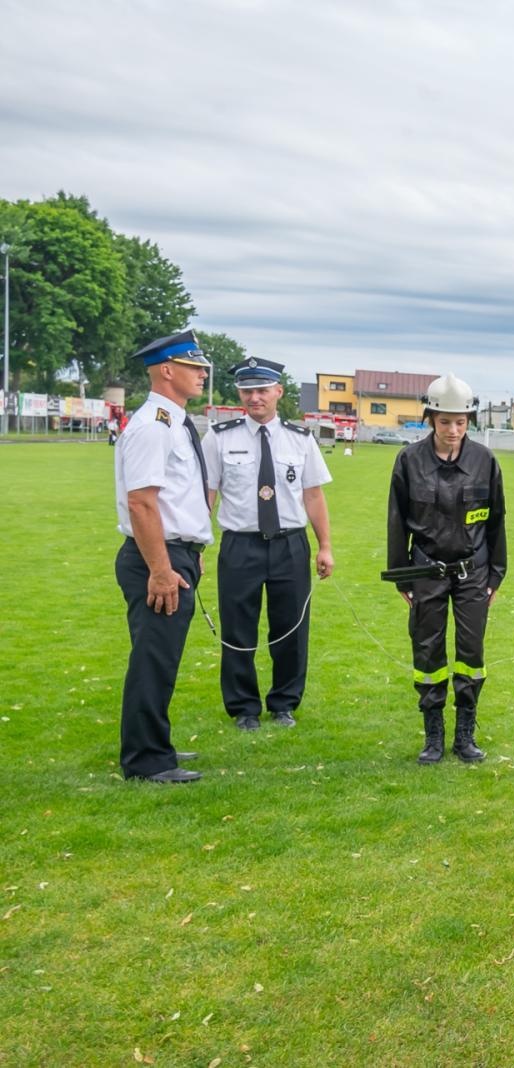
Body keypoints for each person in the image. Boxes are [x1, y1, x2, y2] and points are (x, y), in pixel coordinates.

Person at [201, 358, 334, 730]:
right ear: (239, 394)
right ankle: (243, 707)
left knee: (291, 628)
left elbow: (313, 496)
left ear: (279, 392)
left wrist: (325, 546)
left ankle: (284, 703)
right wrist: (196, 546)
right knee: (238, 628)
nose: (254, 398)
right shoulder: (219, 437)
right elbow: (207, 495)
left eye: (262, 390)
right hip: (239, 545)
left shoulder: (300, 439)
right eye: (247, 391)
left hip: (290, 544)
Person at [387, 374, 507, 764]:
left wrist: (496, 576)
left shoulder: (484, 461)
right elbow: (397, 521)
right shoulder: (408, 461)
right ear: (430, 419)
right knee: (428, 652)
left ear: (469, 420)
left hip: (473, 572)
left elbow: (497, 523)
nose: (453, 430)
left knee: (471, 653)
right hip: (425, 572)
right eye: (444, 422)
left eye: (460, 422)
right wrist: (401, 574)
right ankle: (433, 735)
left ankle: (465, 735)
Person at [113, 329, 214, 783]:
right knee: (154, 657)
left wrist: (193, 550)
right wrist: (161, 569)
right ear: (167, 370)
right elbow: (142, 503)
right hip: (157, 557)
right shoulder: (155, 425)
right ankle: (147, 759)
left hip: (175, 553)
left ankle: (154, 743)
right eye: (194, 367)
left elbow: (176, 499)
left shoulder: (172, 421)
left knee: (160, 655)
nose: (202, 374)